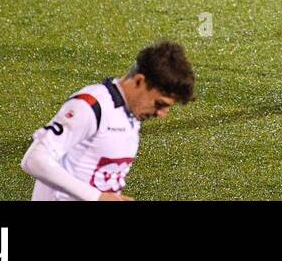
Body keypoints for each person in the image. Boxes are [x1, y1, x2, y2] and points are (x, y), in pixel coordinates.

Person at [21, 41, 195, 201]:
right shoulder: (91, 106)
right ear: (139, 81)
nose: (162, 114)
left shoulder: (129, 114)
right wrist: (97, 197)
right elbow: (34, 160)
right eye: (159, 104)